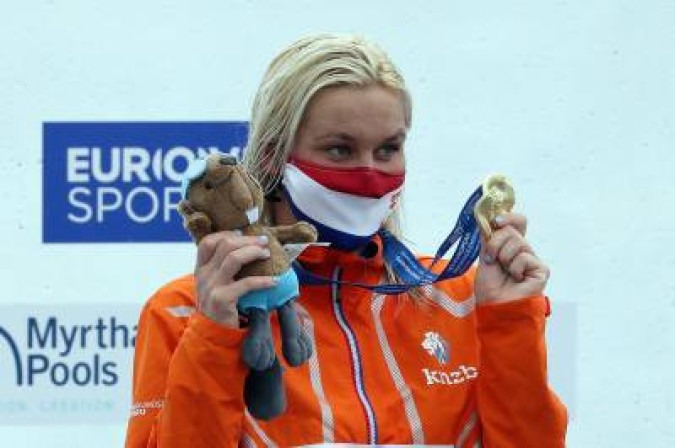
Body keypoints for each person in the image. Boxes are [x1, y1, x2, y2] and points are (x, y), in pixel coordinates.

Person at [125, 33, 567, 447]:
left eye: (388, 149)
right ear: (271, 156)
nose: (370, 174)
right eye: (340, 149)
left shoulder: (462, 300)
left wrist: (509, 321)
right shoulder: (185, 312)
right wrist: (215, 336)